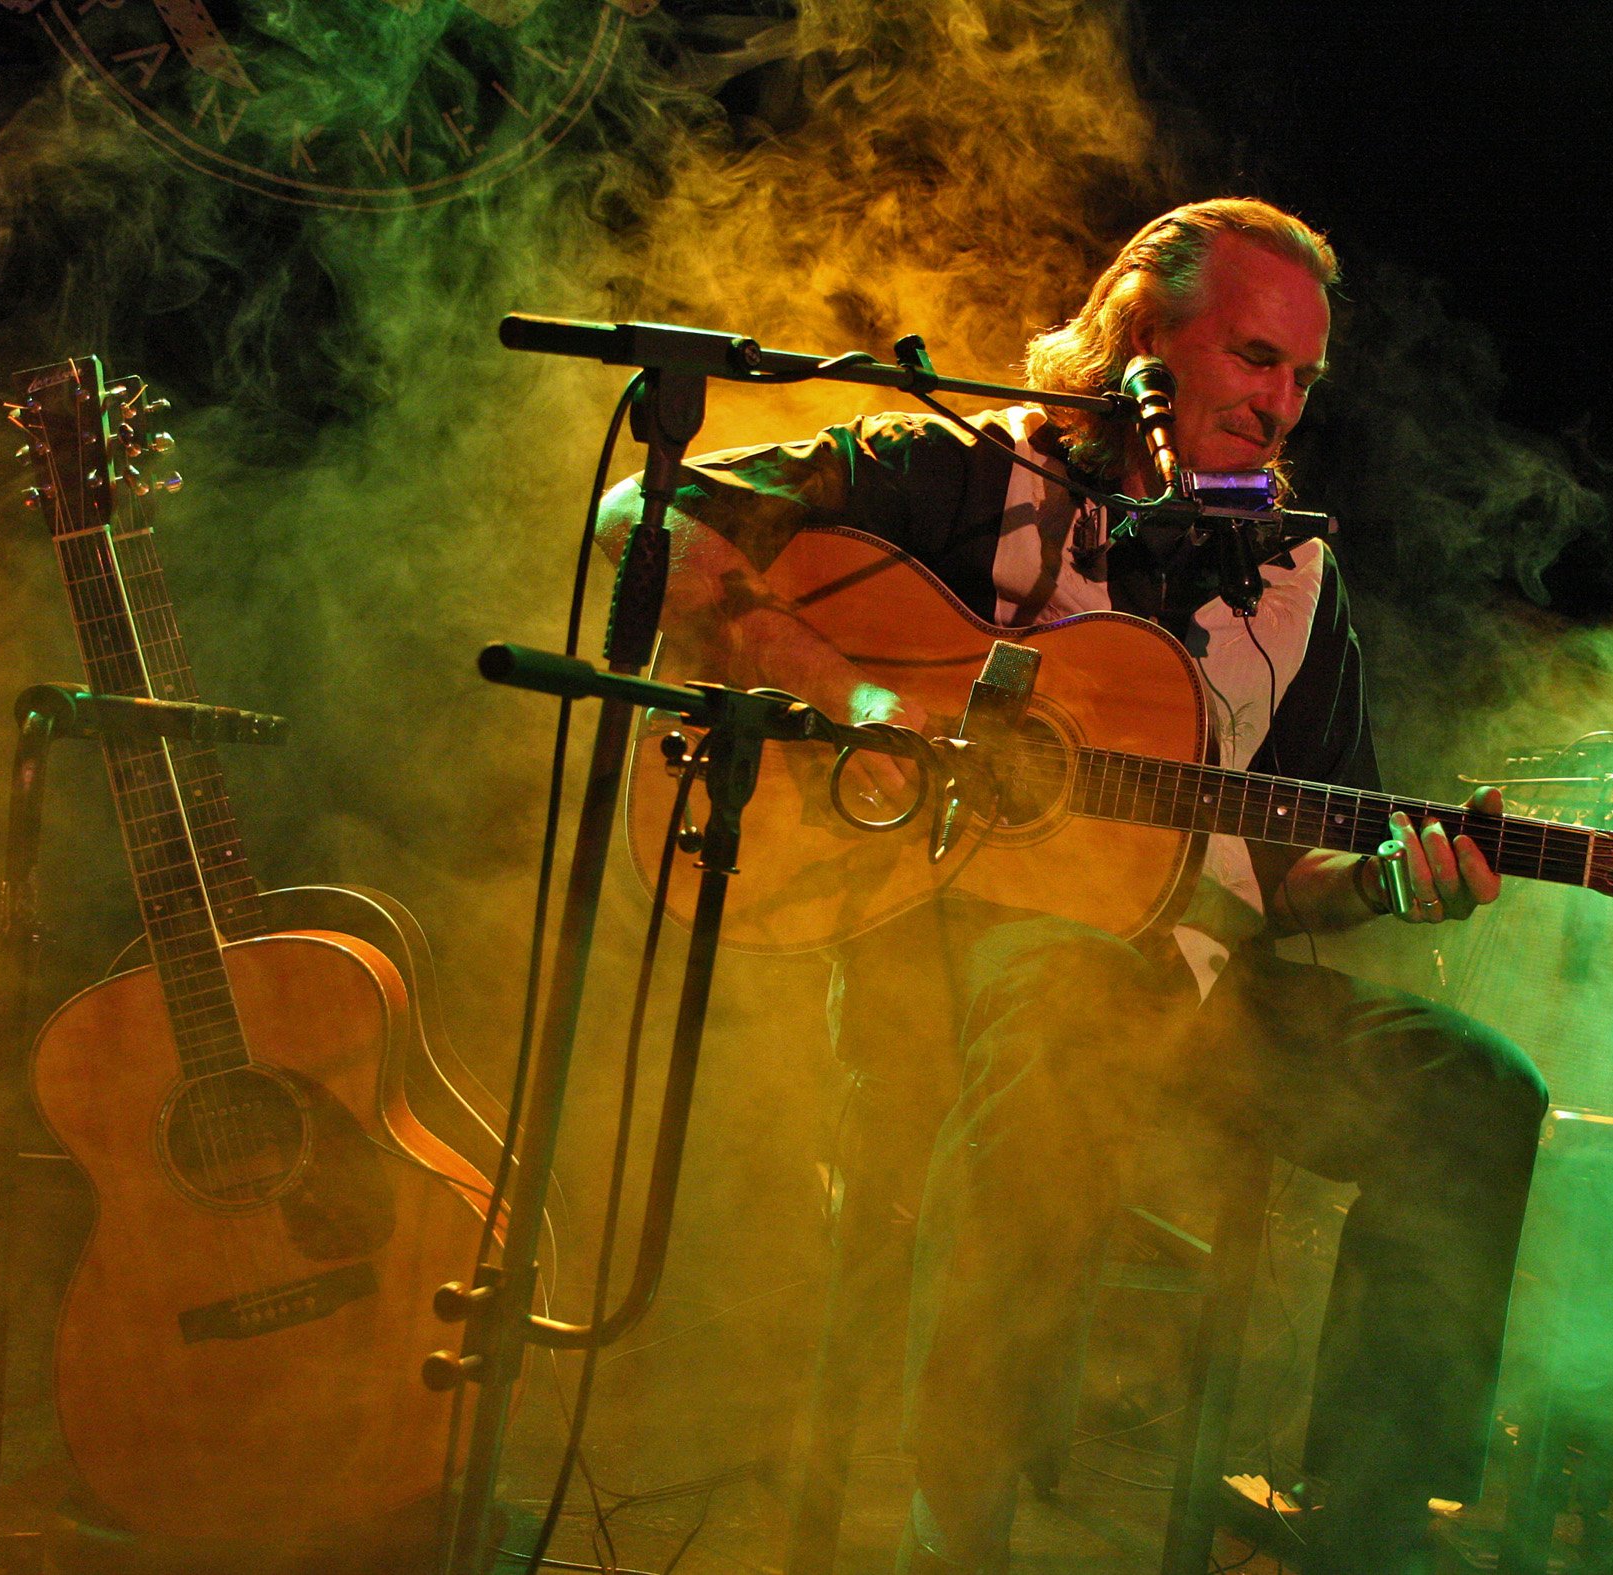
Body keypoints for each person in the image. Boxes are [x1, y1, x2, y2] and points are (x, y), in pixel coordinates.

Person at [602, 198, 1547, 1574]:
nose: (1279, 404)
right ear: (1142, 336)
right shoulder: (961, 471)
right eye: (1251, 357)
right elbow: (650, 508)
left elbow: (1292, 865)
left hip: (1203, 998)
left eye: (1301, 376)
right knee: (1070, 1003)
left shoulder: (1294, 572)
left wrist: (1389, 887)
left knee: (1474, 1090)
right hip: (959, 963)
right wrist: (862, 701)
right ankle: (957, 1530)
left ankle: (1365, 1526)